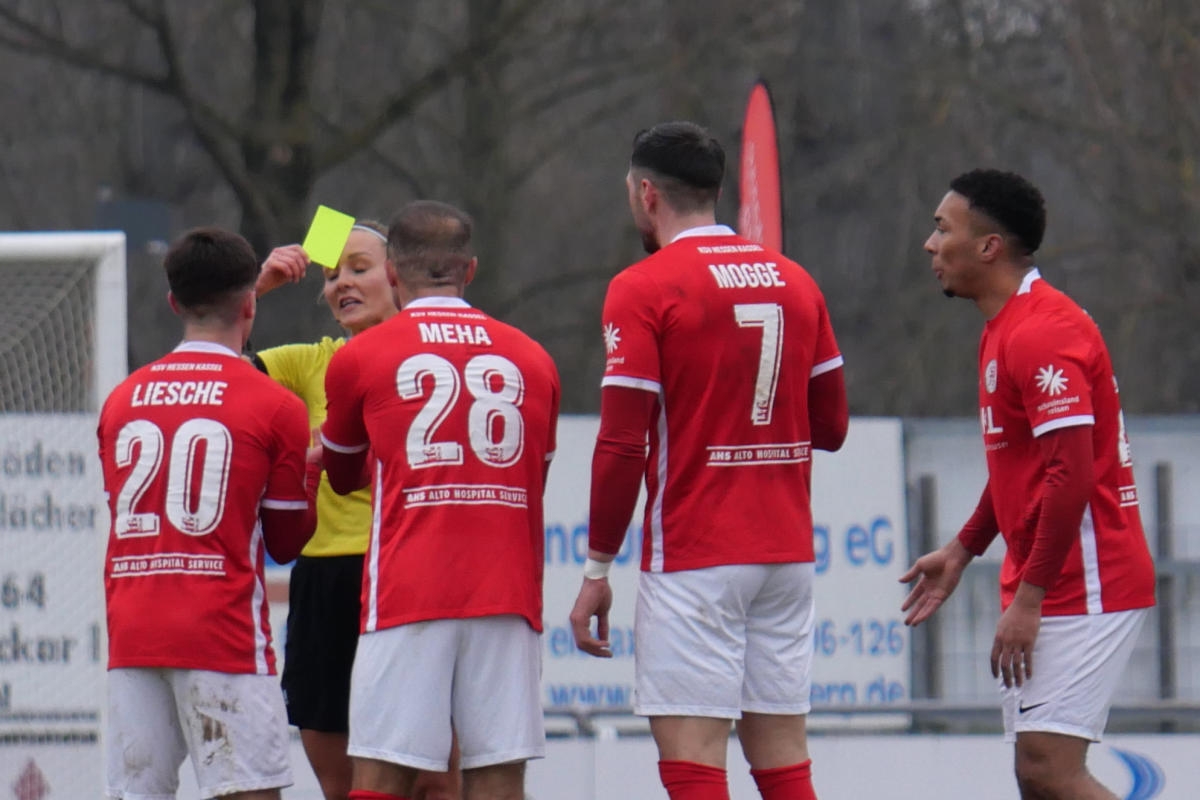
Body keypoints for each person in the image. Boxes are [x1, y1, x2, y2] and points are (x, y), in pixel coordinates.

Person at [569, 121, 849, 800]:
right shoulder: (795, 280)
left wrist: (597, 567)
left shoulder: (642, 286)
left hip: (698, 552)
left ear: (646, 194)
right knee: (783, 761)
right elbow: (833, 428)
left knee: (693, 762)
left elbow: (622, 444)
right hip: (785, 553)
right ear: (715, 190)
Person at [901, 169, 1156, 800]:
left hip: (1088, 579)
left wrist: (1030, 598)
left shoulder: (1042, 331)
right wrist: (964, 548)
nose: (931, 245)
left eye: (943, 229)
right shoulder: (1006, 327)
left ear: (988, 247)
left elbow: (1072, 476)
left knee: (1048, 769)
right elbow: (1022, 466)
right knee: (1037, 778)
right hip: (1053, 577)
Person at [320, 200, 561, 800]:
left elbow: (342, 476)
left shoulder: (360, 357)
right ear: (469, 270)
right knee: (497, 774)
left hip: (407, 590)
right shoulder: (534, 358)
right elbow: (535, 479)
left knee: (381, 774)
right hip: (506, 592)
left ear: (392, 273)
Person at [97, 227, 319, 800]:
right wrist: (313, 469)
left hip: (134, 633)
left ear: (173, 303)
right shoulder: (276, 405)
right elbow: (287, 540)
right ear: (250, 303)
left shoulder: (121, 400)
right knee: (248, 793)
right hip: (221, 633)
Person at [253, 221, 462, 800]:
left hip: (406, 577)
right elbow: (221, 375)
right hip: (324, 581)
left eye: (359, 268)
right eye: (329, 275)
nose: (341, 282)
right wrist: (258, 288)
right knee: (342, 783)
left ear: (397, 276)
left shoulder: (434, 357)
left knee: (435, 781)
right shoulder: (309, 363)